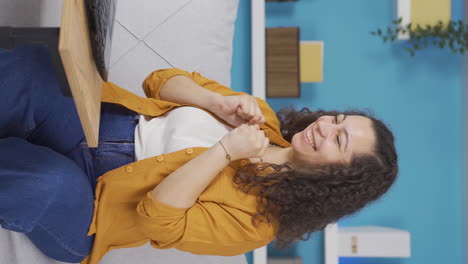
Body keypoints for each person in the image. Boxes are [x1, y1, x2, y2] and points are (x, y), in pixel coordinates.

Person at [0, 46, 398, 264]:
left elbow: (158, 221)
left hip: (90, 208)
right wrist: (216, 102)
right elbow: (160, 82)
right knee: (34, 70)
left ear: (337, 179)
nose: (326, 127)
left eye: (340, 140)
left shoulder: (257, 225)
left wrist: (225, 152)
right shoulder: (262, 118)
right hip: (96, 126)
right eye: (338, 119)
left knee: (45, 182)